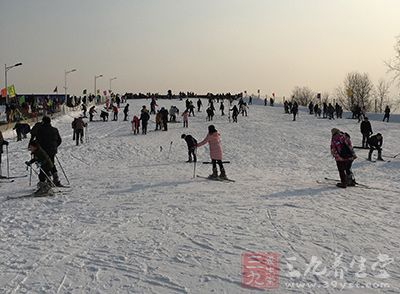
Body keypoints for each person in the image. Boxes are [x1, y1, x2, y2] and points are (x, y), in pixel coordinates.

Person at [36, 116, 63, 186]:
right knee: (51, 163)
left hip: (43, 151)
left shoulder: (40, 130)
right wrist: (54, 146)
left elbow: (38, 141)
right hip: (52, 150)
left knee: (44, 164)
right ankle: (55, 178)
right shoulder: (54, 129)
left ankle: (46, 180)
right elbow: (59, 140)